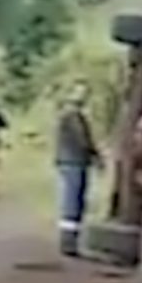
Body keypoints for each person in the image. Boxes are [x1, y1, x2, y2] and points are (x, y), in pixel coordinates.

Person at [53, 84, 100, 255]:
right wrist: (96, 155)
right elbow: (82, 140)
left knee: (73, 200)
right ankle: (68, 242)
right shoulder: (73, 116)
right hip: (73, 161)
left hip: (69, 161)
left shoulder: (71, 114)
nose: (83, 96)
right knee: (73, 201)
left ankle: (70, 241)